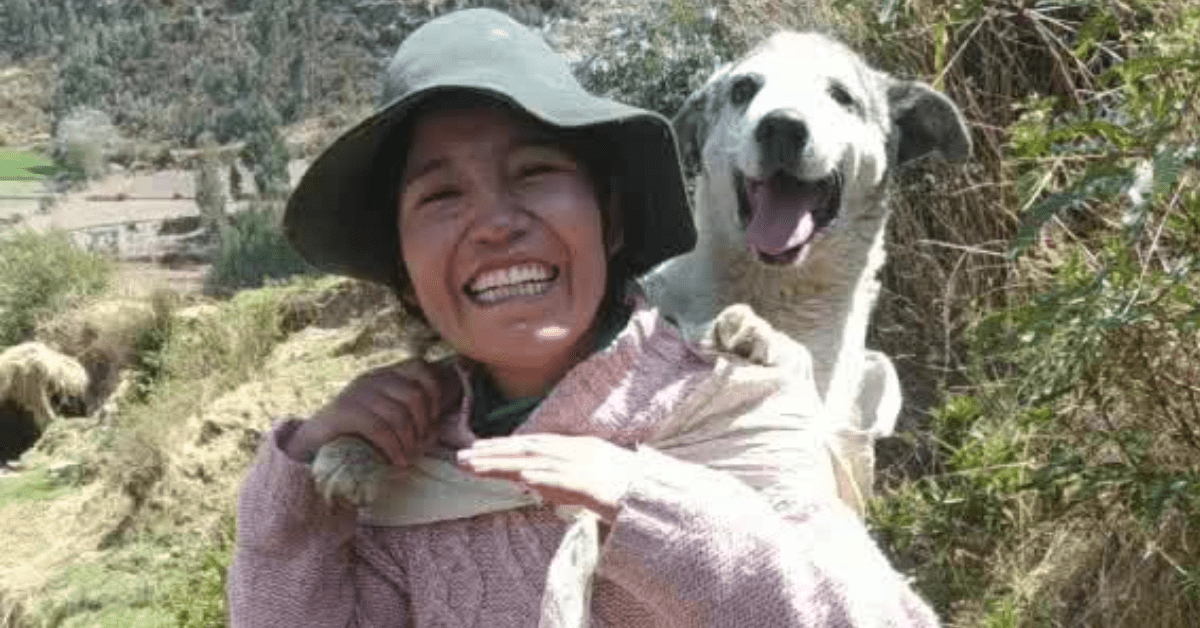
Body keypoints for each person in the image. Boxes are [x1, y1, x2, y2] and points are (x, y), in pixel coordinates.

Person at [228, 8, 940, 627]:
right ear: (407, 273)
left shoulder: (736, 408)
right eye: (440, 196)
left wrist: (648, 502)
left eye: (534, 173)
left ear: (611, 215)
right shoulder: (406, 472)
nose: (495, 223)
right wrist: (298, 494)